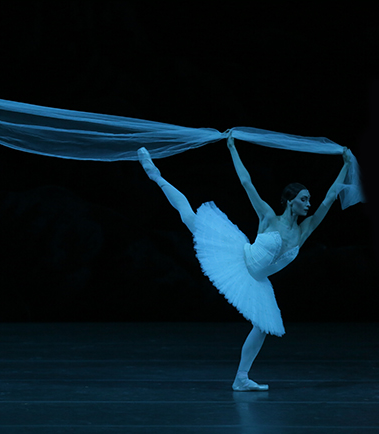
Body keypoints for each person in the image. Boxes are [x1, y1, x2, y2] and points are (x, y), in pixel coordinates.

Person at [137, 133, 352, 391]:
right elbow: (246, 182)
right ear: (289, 200)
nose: (308, 204)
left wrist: (346, 165)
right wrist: (231, 147)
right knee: (190, 218)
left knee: (261, 327)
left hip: (258, 280)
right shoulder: (269, 217)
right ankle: (156, 175)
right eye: (303, 199)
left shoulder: (304, 230)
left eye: (308, 199)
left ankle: (241, 378)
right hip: (238, 257)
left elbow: (329, 198)